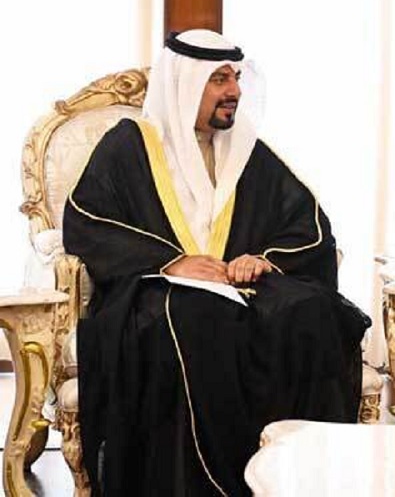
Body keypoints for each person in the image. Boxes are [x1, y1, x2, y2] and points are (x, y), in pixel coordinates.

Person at [64, 29, 370, 496]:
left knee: (309, 311)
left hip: (237, 287)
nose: (234, 92)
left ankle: (296, 477)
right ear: (185, 85)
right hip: (153, 290)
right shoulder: (129, 146)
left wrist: (263, 259)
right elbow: (87, 221)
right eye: (220, 79)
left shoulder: (246, 151)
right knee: (192, 317)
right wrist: (170, 262)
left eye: (237, 78)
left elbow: (308, 226)